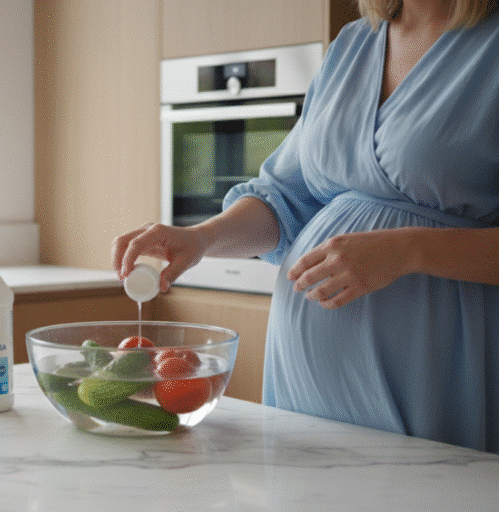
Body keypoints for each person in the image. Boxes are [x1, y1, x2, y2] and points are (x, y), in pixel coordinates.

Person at [112, 0, 499, 454]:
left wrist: (408, 249)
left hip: (438, 364)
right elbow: (288, 197)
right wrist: (201, 238)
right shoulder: (353, 46)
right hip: (305, 387)